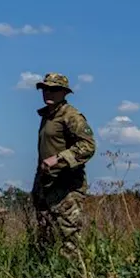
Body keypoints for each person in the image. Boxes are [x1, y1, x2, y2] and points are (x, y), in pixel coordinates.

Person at [30, 73, 96, 253]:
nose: (48, 93)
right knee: (46, 239)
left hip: (67, 187)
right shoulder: (48, 116)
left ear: (64, 93)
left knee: (70, 240)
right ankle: (47, 277)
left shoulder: (71, 116)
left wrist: (59, 158)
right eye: (45, 89)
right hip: (47, 185)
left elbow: (88, 146)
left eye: (54, 89)